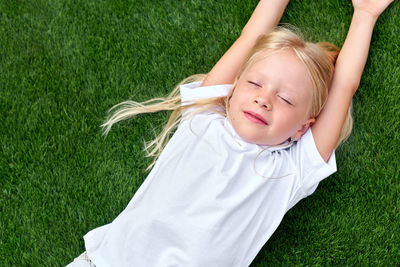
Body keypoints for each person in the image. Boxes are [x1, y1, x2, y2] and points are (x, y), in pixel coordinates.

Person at [67, 0, 395, 266]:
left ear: (302, 128)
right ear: (233, 88)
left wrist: (365, 14)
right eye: (254, 83)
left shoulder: (290, 171)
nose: (263, 99)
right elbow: (250, 37)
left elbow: (343, 88)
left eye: (285, 99)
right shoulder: (203, 116)